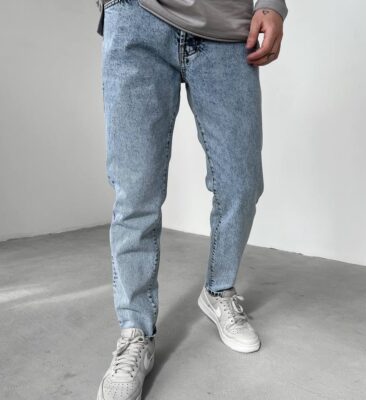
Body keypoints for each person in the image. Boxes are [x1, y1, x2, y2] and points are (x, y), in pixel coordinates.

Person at [95, 0, 288, 398]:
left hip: (227, 26)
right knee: (136, 191)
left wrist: (272, 4)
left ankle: (218, 291)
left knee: (241, 182)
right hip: (136, 16)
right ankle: (135, 331)